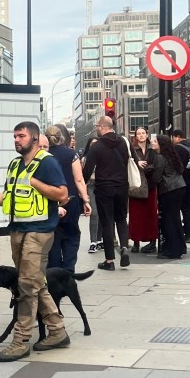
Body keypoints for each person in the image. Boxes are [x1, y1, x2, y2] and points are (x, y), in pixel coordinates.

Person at [0, 121, 70, 361]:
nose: (17, 140)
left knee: (26, 286)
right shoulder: (16, 164)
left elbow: (63, 195)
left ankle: (20, 341)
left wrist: (36, 183)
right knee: (36, 283)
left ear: (35, 138)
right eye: (15, 136)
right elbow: (7, 196)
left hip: (39, 232)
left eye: (21, 136)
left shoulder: (47, 162)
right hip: (18, 230)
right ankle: (57, 331)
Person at [81, 116, 130, 271]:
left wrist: (81, 186)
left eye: (97, 126)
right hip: (122, 186)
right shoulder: (123, 142)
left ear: (102, 127)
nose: (96, 128)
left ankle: (109, 261)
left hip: (104, 188)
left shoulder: (97, 146)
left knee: (107, 222)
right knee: (121, 219)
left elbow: (87, 171)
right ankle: (124, 247)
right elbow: (128, 161)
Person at [45, 124, 91, 272]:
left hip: (49, 202)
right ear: (62, 137)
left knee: (53, 237)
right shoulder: (71, 154)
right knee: (72, 235)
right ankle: (69, 270)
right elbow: (79, 180)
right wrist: (86, 200)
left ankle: (55, 271)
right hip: (70, 201)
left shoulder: (42, 155)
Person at [151, 135, 188, 260]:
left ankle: (172, 251)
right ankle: (180, 248)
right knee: (175, 219)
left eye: (155, 141)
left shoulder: (159, 157)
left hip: (169, 190)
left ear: (161, 144)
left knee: (168, 220)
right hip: (179, 188)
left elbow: (156, 177)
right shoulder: (171, 155)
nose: (153, 142)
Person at [128, 127, 158, 254]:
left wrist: (146, 167)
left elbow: (157, 164)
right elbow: (129, 164)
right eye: (138, 134)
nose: (141, 135)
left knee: (151, 214)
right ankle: (135, 242)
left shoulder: (153, 149)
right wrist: (137, 164)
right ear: (135, 136)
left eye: (143, 133)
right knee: (136, 215)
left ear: (147, 135)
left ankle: (152, 242)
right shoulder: (132, 149)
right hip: (137, 186)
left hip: (151, 185)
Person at [82, 136, 104, 254]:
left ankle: (99, 239)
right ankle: (93, 242)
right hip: (90, 185)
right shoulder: (85, 159)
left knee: (101, 213)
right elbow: (82, 177)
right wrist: (83, 193)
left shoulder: (104, 156)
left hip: (102, 185)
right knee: (94, 213)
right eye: (92, 144)